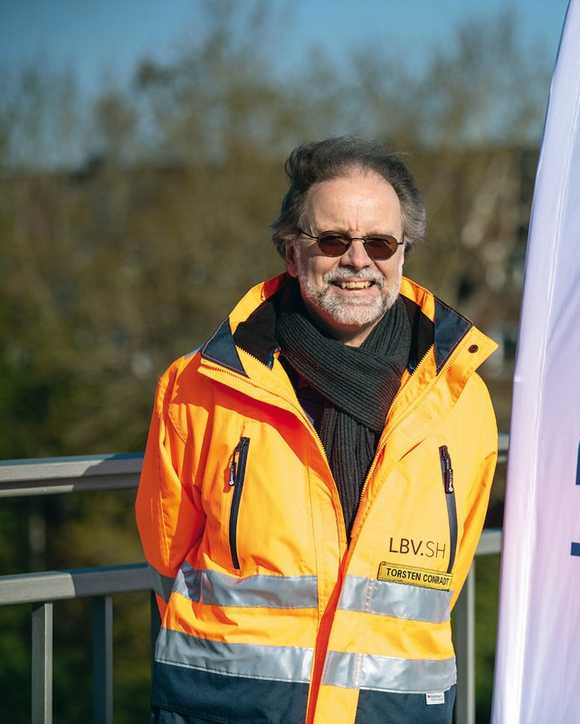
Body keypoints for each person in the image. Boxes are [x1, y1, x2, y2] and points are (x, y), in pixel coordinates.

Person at [135, 137, 498, 724]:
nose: (358, 260)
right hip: (231, 711)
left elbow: (448, 575)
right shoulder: (198, 387)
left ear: (403, 254)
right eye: (332, 240)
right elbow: (168, 551)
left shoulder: (462, 399)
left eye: (379, 242)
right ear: (290, 251)